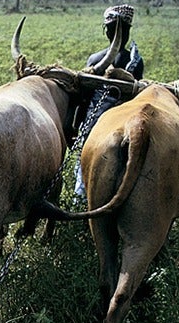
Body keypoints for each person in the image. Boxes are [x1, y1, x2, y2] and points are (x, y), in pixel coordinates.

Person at [73, 4, 145, 198]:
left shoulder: (95, 59)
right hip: (126, 122)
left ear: (107, 32)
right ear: (128, 31)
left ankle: (80, 197)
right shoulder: (135, 61)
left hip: (95, 123)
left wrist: (78, 129)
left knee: (84, 170)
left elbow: (84, 98)